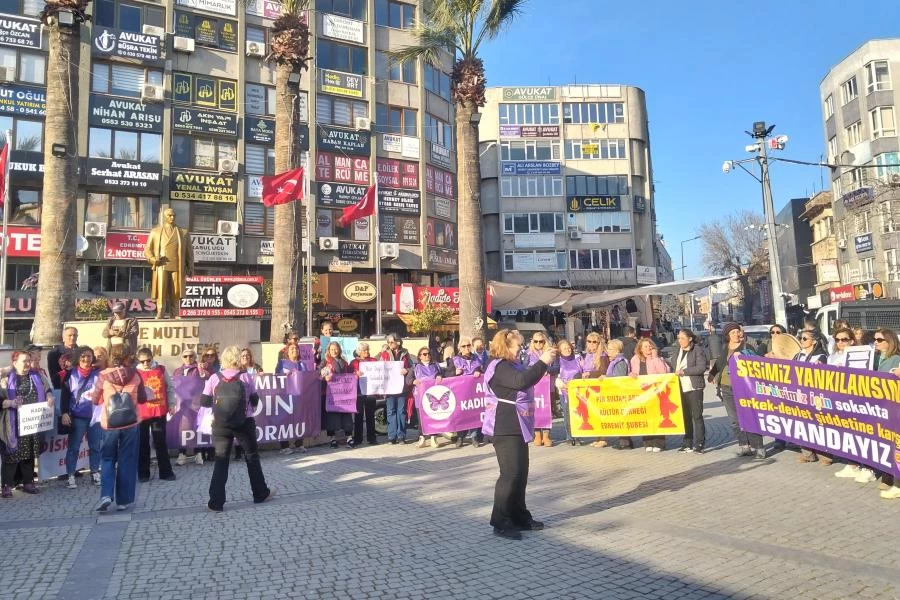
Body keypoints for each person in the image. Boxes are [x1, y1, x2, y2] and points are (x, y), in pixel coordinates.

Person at [481, 329, 556, 540]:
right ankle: (500, 521)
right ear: (506, 347)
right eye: (517, 346)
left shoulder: (512, 364)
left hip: (517, 424)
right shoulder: (499, 366)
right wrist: (542, 362)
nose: (520, 350)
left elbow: (528, 377)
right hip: (504, 426)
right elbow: (521, 381)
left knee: (521, 473)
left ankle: (519, 515)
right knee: (510, 474)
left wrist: (544, 364)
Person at [201, 346, 275, 512]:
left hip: (221, 424)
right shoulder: (246, 377)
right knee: (251, 456)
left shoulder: (214, 377)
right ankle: (260, 493)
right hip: (244, 422)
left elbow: (204, 401)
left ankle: (216, 502)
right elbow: (255, 401)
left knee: (221, 460)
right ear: (237, 359)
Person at [90, 348, 148, 511]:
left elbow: (95, 400)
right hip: (130, 423)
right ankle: (123, 501)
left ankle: (106, 495)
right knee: (127, 460)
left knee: (107, 459)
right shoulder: (135, 374)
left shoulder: (103, 375)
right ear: (127, 358)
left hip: (110, 424)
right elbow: (143, 398)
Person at [0, 351, 55, 497]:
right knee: (11, 455)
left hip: (32, 422)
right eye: (24, 361)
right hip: (12, 423)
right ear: (15, 362)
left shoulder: (37, 376)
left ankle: (28, 482)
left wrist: (49, 396)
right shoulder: (5, 378)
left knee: (29, 453)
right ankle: (6, 485)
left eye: (29, 361)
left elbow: (47, 389)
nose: (28, 363)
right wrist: (11, 402)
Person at [707, 322, 765, 460]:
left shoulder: (746, 346)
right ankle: (744, 446)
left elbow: (757, 362)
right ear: (728, 335)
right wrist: (712, 375)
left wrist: (743, 355)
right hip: (726, 387)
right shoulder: (726, 347)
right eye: (732, 332)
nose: (736, 334)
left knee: (750, 417)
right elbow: (720, 363)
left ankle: (759, 447)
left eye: (737, 331)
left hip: (744, 388)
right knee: (735, 420)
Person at [60, 346, 102, 489]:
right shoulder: (70, 374)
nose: (86, 359)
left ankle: (95, 472)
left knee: (95, 447)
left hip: (95, 416)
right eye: (83, 356)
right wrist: (64, 412)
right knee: (74, 447)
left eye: (89, 356)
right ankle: (71, 475)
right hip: (78, 416)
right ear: (78, 358)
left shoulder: (98, 374)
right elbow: (65, 395)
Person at [144, 207, 194, 319]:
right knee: (161, 290)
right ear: (164, 216)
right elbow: (147, 249)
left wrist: (190, 267)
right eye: (169, 215)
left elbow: (189, 252)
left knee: (176, 291)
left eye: (174, 215)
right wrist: (152, 259)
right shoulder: (155, 232)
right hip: (162, 265)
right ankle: (160, 312)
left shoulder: (183, 232)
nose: (172, 217)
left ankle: (175, 313)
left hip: (177, 266)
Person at [135, 347, 177, 482]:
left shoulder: (161, 369)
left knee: (160, 441)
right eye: (142, 361)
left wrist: (172, 403)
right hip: (142, 412)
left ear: (152, 358)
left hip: (159, 410)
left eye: (148, 360)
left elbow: (170, 387)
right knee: (143, 442)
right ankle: (143, 473)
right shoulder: (135, 372)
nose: (145, 363)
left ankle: (166, 472)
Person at [792, 330, 831, 465]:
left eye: (804, 338)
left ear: (814, 341)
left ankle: (824, 454)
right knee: (802, 423)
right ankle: (808, 453)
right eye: (800, 338)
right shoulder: (799, 355)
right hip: (800, 393)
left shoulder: (821, 356)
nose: (801, 341)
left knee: (818, 423)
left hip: (816, 394)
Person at [630, 338, 671, 453]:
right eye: (645, 347)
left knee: (657, 417)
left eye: (650, 346)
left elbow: (664, 372)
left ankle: (659, 443)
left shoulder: (658, 359)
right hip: (642, 393)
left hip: (656, 393)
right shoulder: (635, 359)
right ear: (640, 349)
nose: (648, 348)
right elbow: (633, 372)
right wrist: (631, 374)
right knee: (645, 417)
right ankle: (647, 442)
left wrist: (655, 357)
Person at [670, 329, 707, 453]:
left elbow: (701, 367)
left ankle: (700, 443)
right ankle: (687, 442)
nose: (680, 341)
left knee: (697, 416)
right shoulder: (677, 351)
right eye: (678, 338)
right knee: (685, 416)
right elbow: (673, 366)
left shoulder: (697, 350)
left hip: (694, 387)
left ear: (690, 338)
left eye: (682, 338)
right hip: (680, 387)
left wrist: (684, 372)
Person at [873, 328, 900, 500]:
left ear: (889, 342)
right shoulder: (876, 358)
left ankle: (896, 482)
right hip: (882, 407)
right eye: (875, 339)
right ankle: (888, 476)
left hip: (894, 408)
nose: (875, 342)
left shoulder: (896, 359)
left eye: (879, 340)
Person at [524, 333, 556, 447]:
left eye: (541, 341)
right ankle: (537, 434)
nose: (538, 343)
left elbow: (557, 367)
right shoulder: (528, 353)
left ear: (544, 341)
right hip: (534, 386)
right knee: (535, 409)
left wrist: (548, 370)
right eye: (536, 341)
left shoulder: (550, 352)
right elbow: (524, 367)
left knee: (547, 409)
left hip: (547, 386)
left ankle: (546, 436)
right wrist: (534, 370)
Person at [451, 336, 483, 448]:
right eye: (463, 346)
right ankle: (460, 437)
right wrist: (454, 372)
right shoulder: (455, 360)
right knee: (461, 414)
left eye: (468, 345)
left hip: (473, 391)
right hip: (460, 392)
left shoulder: (476, 358)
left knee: (473, 412)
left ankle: (474, 436)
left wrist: (478, 371)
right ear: (459, 348)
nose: (466, 348)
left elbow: (480, 369)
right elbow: (447, 374)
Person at [175, 349, 205, 466]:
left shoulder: (199, 368)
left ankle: (199, 453)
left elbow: (207, 376)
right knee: (183, 429)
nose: (188, 358)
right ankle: (182, 454)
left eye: (191, 356)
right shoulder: (178, 371)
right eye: (185, 356)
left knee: (197, 428)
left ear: (195, 357)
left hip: (196, 403)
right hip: (183, 405)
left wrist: (202, 370)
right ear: (182, 358)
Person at [320, 342, 353, 448]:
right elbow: (318, 373)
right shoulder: (325, 362)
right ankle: (332, 439)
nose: (334, 351)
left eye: (336, 349)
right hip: (330, 393)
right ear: (328, 351)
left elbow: (350, 374)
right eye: (332, 349)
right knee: (331, 416)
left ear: (339, 350)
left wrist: (355, 375)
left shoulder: (344, 362)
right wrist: (324, 377)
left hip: (343, 393)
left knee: (346, 415)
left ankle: (349, 437)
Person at [276, 343, 307, 455]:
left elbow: (307, 378)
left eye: (296, 348)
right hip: (285, 396)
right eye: (292, 348)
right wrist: (285, 375)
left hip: (299, 397)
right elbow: (276, 376)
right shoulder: (282, 363)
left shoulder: (302, 364)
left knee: (299, 420)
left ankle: (299, 444)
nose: (295, 350)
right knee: (284, 420)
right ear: (287, 351)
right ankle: (284, 446)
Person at [380, 334, 411, 445]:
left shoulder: (405, 353)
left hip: (402, 387)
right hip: (389, 388)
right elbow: (379, 368)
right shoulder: (384, 354)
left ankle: (401, 436)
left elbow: (411, 366)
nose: (390, 344)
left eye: (392, 342)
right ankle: (392, 436)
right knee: (391, 411)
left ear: (398, 341)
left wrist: (407, 370)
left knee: (401, 411)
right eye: (388, 342)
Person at [411, 346, 444, 448]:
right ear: (420, 356)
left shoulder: (435, 365)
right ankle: (422, 438)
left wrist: (440, 376)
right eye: (424, 354)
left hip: (434, 395)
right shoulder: (415, 367)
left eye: (428, 354)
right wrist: (413, 381)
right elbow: (408, 379)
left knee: (433, 416)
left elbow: (443, 373)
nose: (427, 356)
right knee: (421, 418)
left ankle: (434, 437)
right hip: (420, 396)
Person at [555, 340, 584, 446]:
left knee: (578, 413)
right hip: (564, 391)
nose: (567, 350)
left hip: (578, 391)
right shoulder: (557, 361)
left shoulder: (578, 358)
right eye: (564, 348)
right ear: (560, 351)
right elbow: (556, 376)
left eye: (568, 347)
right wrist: (562, 385)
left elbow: (583, 371)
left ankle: (578, 435)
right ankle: (569, 436)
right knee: (568, 414)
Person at [350, 342, 378, 446]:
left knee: (370, 415)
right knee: (358, 416)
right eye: (364, 350)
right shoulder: (353, 362)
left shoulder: (374, 361)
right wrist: (355, 374)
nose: (366, 351)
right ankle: (358, 439)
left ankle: (372, 438)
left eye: (367, 349)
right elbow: (349, 375)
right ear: (359, 352)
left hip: (370, 391)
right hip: (358, 392)